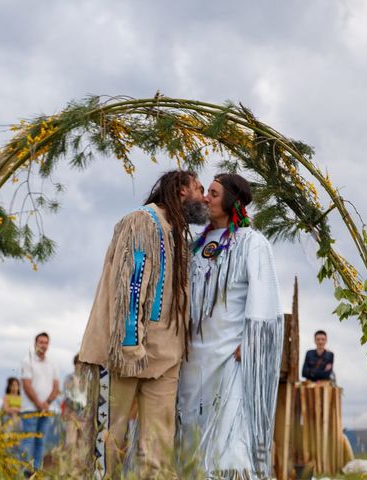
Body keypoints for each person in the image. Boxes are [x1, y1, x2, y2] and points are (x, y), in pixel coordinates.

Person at [78, 169, 207, 477]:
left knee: (158, 449)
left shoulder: (175, 232)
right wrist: (129, 345)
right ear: (180, 191)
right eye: (199, 189)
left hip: (164, 356)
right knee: (108, 440)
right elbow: (130, 286)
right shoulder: (143, 222)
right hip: (126, 353)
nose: (204, 197)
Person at [178, 173, 284, 479]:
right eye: (206, 192)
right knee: (190, 435)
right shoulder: (196, 245)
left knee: (230, 441)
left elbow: (265, 296)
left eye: (212, 193)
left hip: (230, 357)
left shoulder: (252, 243)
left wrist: (251, 343)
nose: (205, 198)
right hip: (193, 358)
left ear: (231, 201)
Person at [20, 332, 60, 472]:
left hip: (46, 409)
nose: (43, 345)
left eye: (45, 342)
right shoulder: (28, 361)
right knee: (29, 440)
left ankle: (36, 471)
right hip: (30, 408)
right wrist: (38, 403)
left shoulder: (53, 364)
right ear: (35, 344)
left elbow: (56, 387)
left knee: (40, 442)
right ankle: (26, 472)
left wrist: (46, 402)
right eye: (41, 342)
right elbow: (26, 385)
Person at [62, 355, 88, 471]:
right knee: (71, 442)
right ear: (75, 364)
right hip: (72, 415)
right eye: (79, 363)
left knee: (83, 443)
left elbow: (91, 397)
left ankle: (81, 468)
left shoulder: (89, 380)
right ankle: (72, 470)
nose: (80, 366)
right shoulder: (69, 378)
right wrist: (77, 407)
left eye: (83, 363)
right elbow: (67, 395)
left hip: (85, 417)